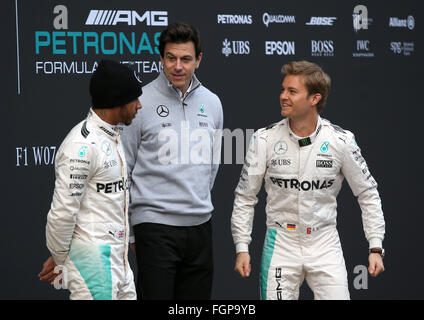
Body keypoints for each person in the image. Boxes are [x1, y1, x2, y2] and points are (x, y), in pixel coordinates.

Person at [231, 60, 385, 300]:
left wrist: (375, 245)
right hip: (281, 243)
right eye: (283, 90)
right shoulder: (264, 139)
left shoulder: (340, 141)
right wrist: (242, 247)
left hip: (324, 243)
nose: (283, 96)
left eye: (292, 91)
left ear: (314, 98)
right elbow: (245, 196)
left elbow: (367, 193)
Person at [121, 22, 223, 299]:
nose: (178, 66)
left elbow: (211, 166)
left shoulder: (212, 103)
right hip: (154, 227)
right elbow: (123, 168)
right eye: (171, 58)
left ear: (198, 60)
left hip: (200, 227)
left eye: (186, 59)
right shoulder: (139, 101)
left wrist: (196, 201)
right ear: (162, 58)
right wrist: (131, 232)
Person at [39, 59, 142, 300]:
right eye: (134, 98)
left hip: (120, 262)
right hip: (93, 264)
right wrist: (64, 260)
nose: (139, 105)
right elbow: (62, 213)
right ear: (117, 99)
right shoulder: (81, 145)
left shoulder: (113, 137)